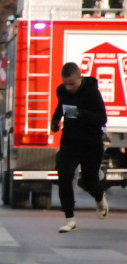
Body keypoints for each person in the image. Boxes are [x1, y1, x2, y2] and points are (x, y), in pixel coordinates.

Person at [50, 62, 108, 232]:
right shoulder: (62, 91)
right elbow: (60, 107)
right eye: (65, 84)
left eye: (72, 84)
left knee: (90, 181)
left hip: (91, 142)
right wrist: (55, 121)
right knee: (64, 176)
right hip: (70, 141)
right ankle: (70, 219)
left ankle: (99, 197)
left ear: (80, 78)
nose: (68, 88)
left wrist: (81, 113)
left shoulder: (91, 92)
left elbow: (101, 118)